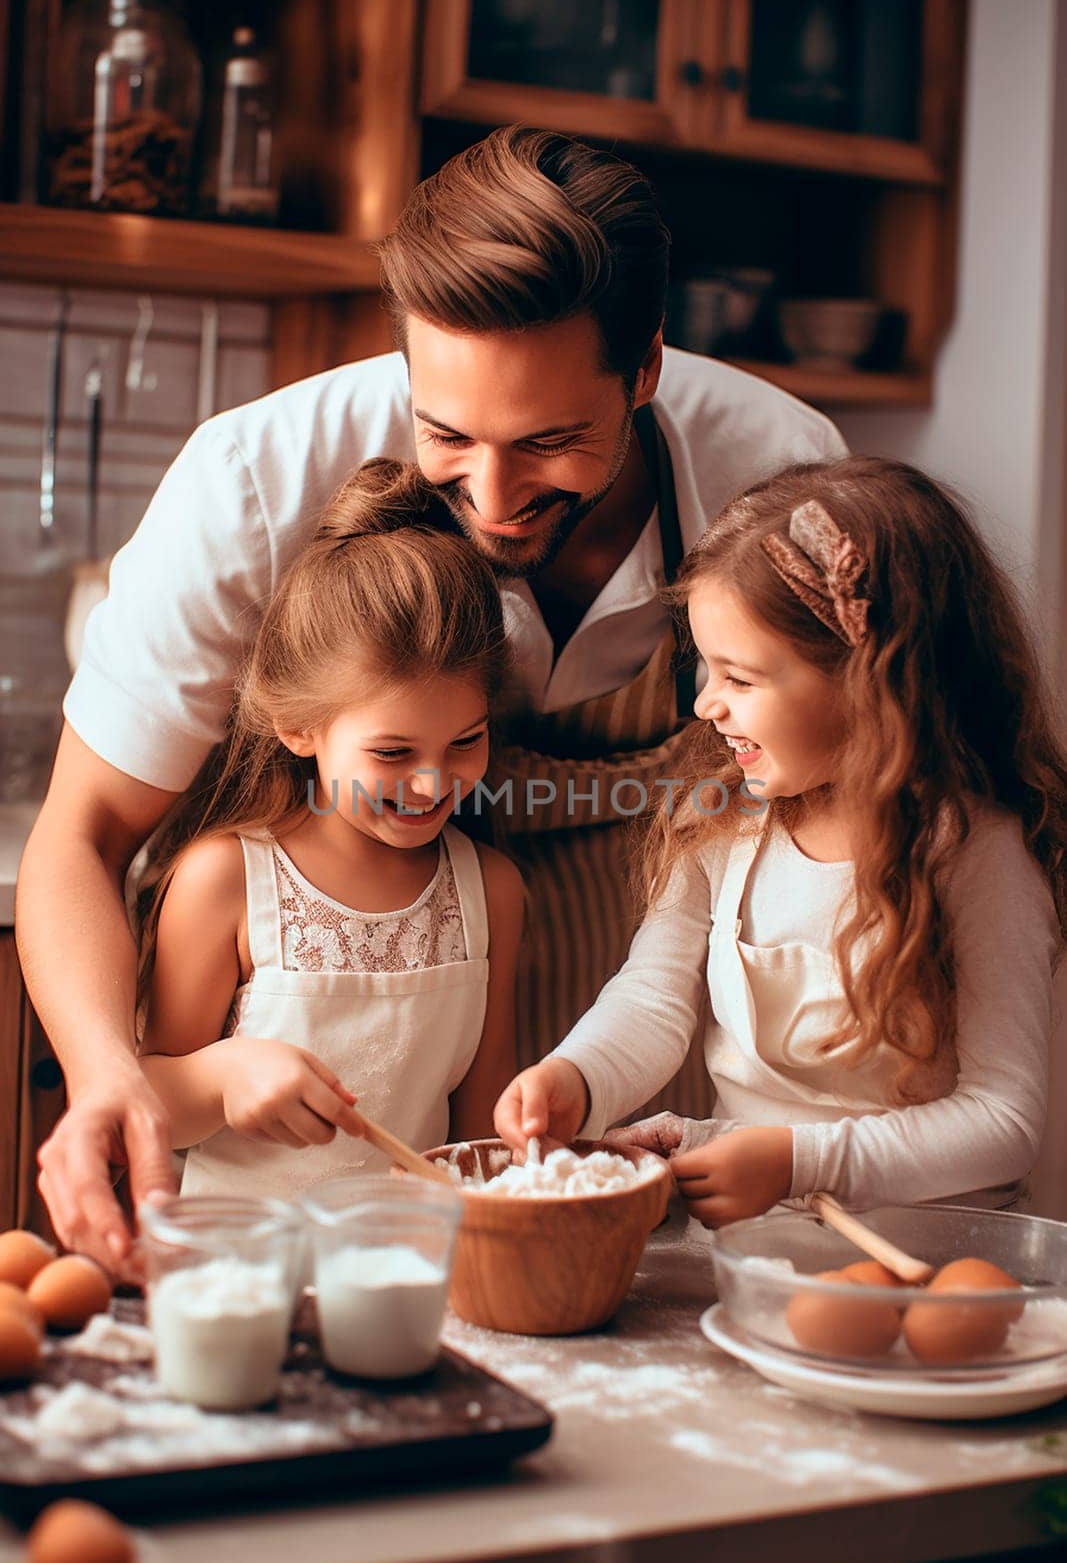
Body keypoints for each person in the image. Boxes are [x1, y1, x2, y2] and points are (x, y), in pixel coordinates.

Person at [16, 125, 844, 1272]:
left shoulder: (777, 471)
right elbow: (83, 833)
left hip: (652, 1069)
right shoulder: (252, 483)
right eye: (447, 434)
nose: (494, 498)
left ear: (645, 367)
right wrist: (117, 1073)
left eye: (550, 441)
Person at [494, 457, 1067, 1223]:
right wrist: (577, 1075)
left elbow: (1002, 1124)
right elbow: (652, 998)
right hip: (762, 1247)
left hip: (934, 1254)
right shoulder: (720, 815)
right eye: (704, 669)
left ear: (871, 682)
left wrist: (797, 1162)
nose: (706, 706)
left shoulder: (975, 853)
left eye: (740, 678)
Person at [137, 459, 522, 1197]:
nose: (432, 782)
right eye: (391, 753)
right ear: (298, 726)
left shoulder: (491, 891)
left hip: (405, 1276)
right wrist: (223, 1076)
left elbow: (481, 1142)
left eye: (465, 742)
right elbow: (146, 1104)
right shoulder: (225, 880)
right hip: (241, 1275)